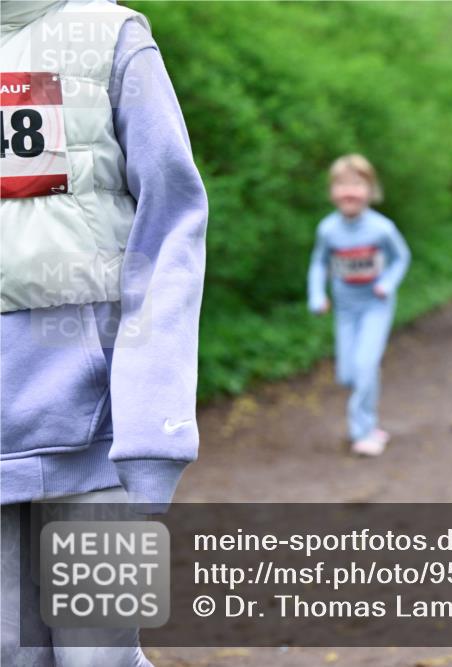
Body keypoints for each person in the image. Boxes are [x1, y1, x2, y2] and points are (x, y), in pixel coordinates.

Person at [1, 0, 208, 664]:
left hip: (100, 438)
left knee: (101, 655)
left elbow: (173, 224)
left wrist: (153, 427)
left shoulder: (110, 36)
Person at [308, 155, 410, 456]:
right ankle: (371, 421)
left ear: (370, 190)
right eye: (341, 185)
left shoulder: (382, 229)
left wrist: (388, 283)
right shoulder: (327, 230)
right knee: (349, 375)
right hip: (345, 309)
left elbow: (401, 258)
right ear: (332, 192)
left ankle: (363, 433)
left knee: (365, 366)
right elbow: (318, 264)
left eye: (357, 184)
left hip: (376, 306)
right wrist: (316, 294)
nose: (349, 191)